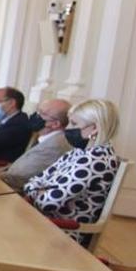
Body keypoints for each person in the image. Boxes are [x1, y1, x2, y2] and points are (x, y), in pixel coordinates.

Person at [25, 99, 122, 245]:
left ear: (94, 128)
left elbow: (48, 203)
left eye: (74, 124)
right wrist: (40, 190)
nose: (68, 128)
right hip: (44, 221)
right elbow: (32, 182)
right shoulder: (78, 152)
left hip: (62, 233)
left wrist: (41, 190)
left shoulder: (95, 159)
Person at [0, 98, 72, 189]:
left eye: (42, 113)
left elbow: (19, 176)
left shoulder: (55, 146)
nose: (36, 115)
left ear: (55, 124)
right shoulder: (43, 137)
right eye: (37, 110)